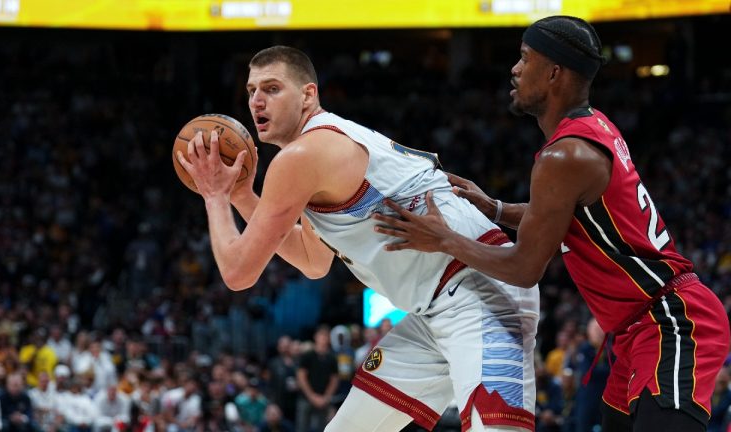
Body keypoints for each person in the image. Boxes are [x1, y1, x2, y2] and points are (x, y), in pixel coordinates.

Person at [372, 15, 730, 432]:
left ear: (554, 72)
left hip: (670, 321)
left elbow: (525, 268)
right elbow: (562, 215)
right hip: (637, 329)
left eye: (525, 58)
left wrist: (445, 239)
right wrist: (496, 209)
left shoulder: (565, 156)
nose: (515, 69)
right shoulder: (593, 128)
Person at [176, 45, 540, 431]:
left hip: (479, 294)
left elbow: (237, 272)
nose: (257, 101)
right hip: (434, 310)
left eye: (271, 88)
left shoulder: (303, 156)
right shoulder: (318, 150)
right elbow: (313, 261)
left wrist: (214, 196)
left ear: (307, 95)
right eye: (251, 91)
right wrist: (243, 197)